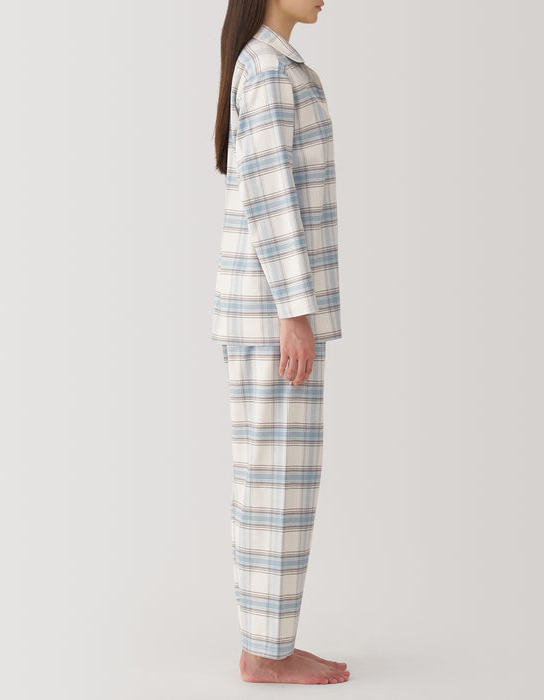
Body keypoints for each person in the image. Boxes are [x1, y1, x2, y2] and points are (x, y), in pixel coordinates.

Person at [211, 0, 348, 685]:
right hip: (273, 317)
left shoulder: (276, 66)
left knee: (279, 479)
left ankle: (267, 643)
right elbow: (271, 195)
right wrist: (296, 310)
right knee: (275, 483)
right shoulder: (266, 67)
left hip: (274, 314)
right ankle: (265, 653)